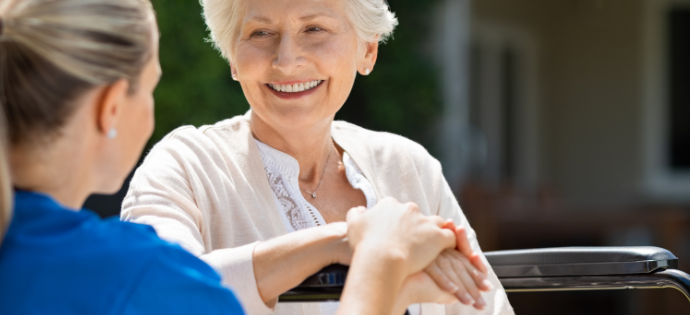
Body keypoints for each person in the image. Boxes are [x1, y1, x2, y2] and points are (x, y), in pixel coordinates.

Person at [0, 0, 464, 314]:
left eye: (314, 28)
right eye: (153, 85)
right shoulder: (139, 276)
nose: (287, 59)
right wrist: (379, 266)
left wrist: (340, 242)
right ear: (114, 106)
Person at [120, 0, 515, 314]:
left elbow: (486, 306)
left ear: (368, 49)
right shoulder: (184, 166)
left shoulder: (409, 166)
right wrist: (348, 241)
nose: (287, 59)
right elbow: (155, 294)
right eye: (261, 32)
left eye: (314, 29)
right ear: (233, 59)